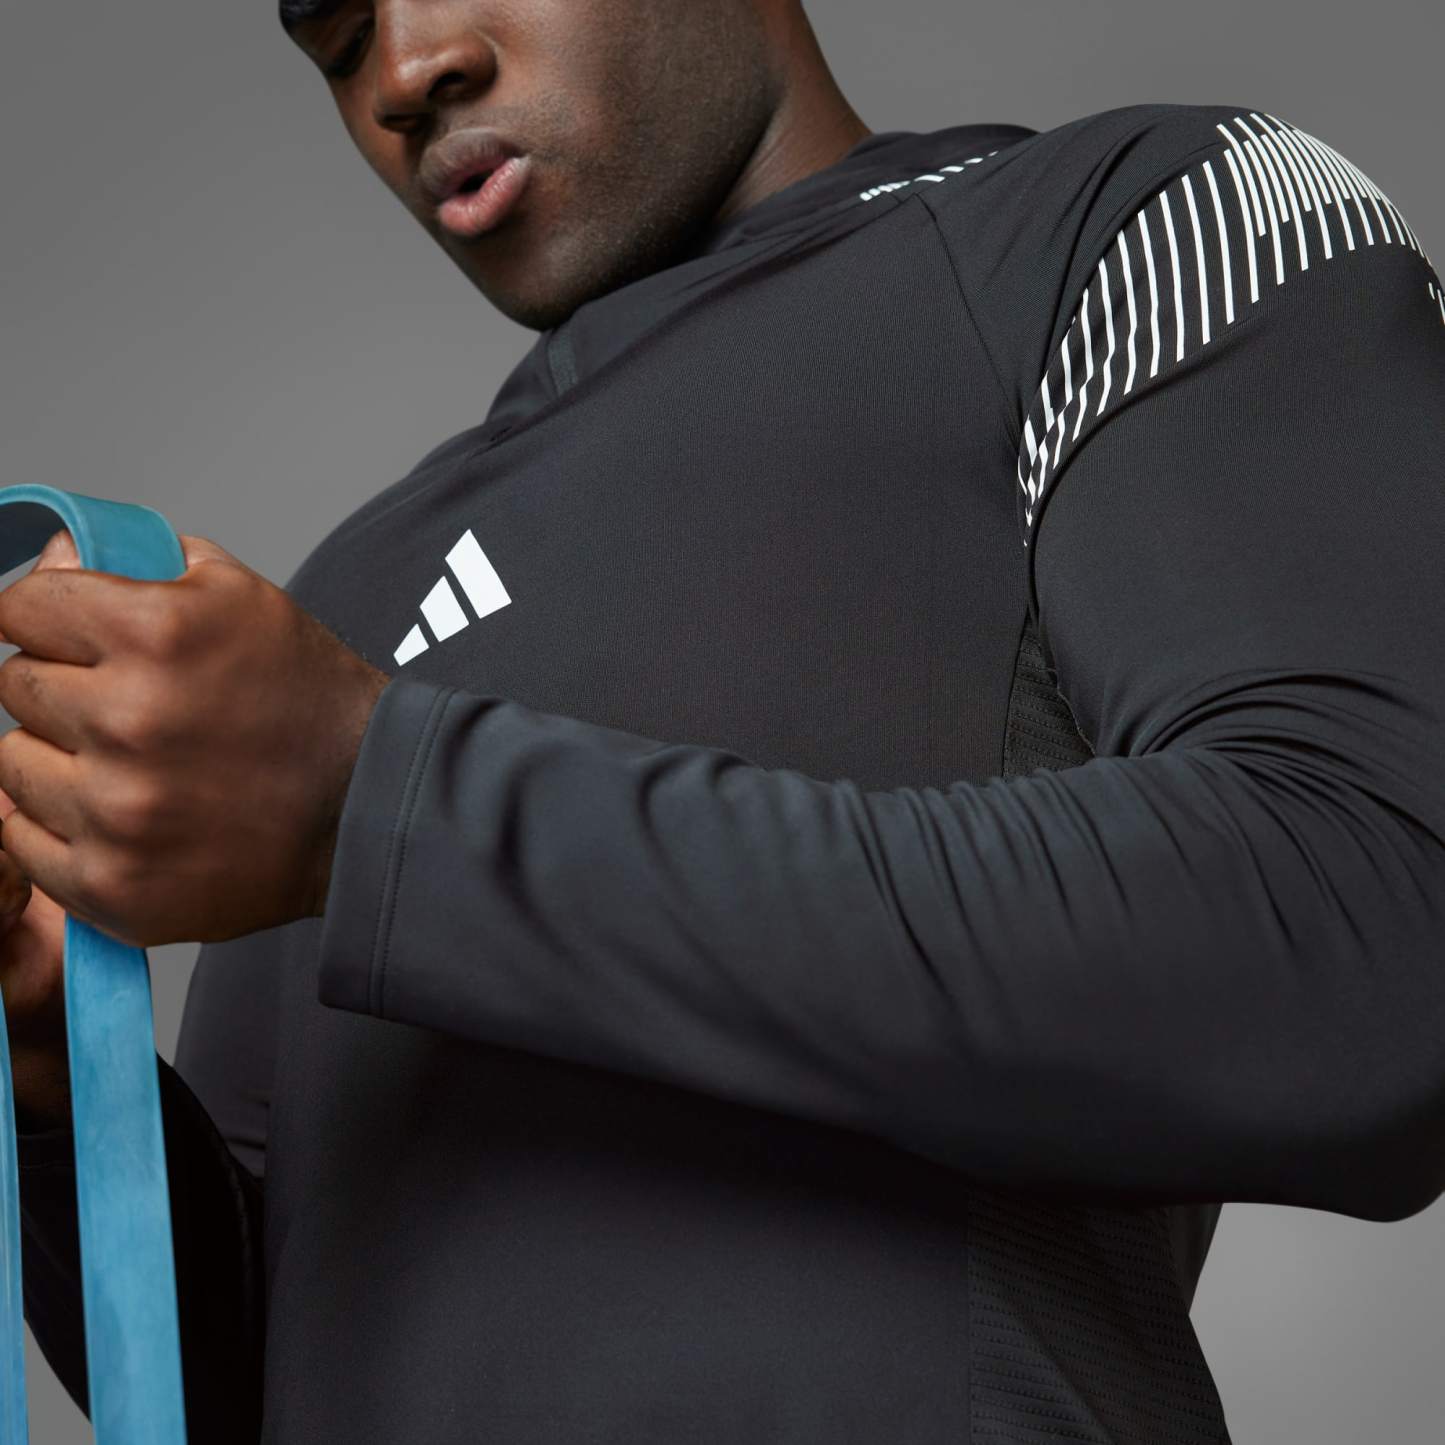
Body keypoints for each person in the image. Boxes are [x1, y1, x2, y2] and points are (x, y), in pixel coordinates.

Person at [2, 1, 1443, 1441]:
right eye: (334, 24)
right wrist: (62, 1071)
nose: (407, 70)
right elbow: (266, 1372)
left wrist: (381, 804)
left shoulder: (1116, 227)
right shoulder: (343, 603)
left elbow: (1375, 943)